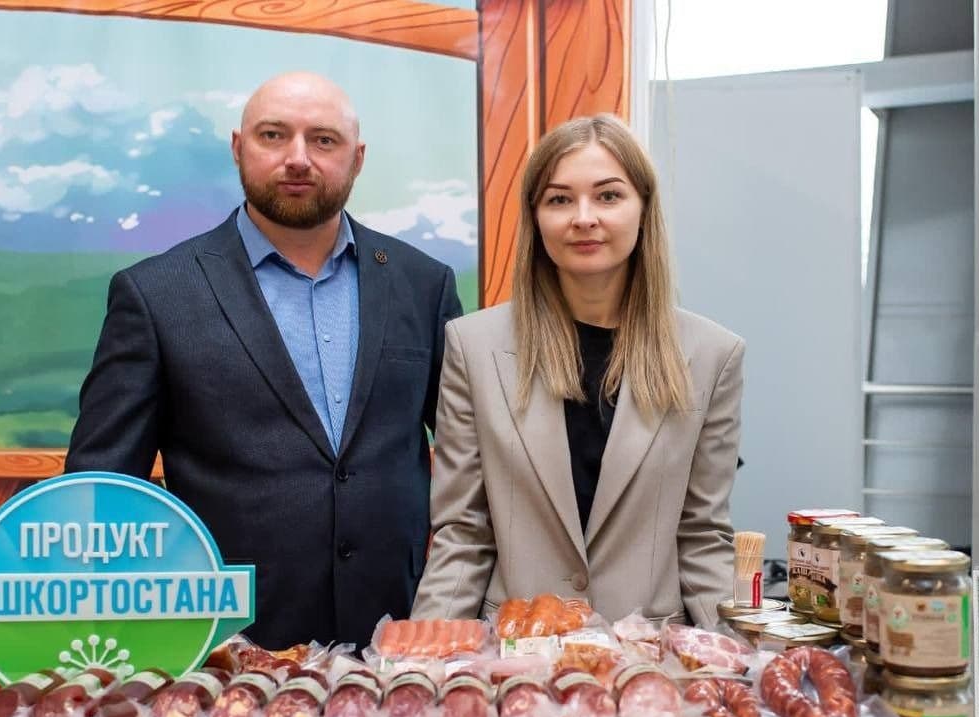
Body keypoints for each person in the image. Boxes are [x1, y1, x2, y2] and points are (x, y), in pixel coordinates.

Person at [66, 72, 463, 649]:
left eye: (323, 140)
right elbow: (101, 491)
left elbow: (468, 457)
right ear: (237, 148)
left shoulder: (422, 284)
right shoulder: (156, 294)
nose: (297, 158)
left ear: (357, 158)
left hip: (401, 642)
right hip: (227, 653)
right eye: (273, 135)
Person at [411, 114, 744, 627]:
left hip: (649, 664)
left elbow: (702, 534)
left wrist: (734, 666)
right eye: (559, 199)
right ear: (536, 218)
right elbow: (463, 533)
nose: (583, 217)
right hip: (516, 660)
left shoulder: (712, 355)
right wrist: (425, 664)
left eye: (608, 196)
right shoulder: (473, 347)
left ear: (643, 209)